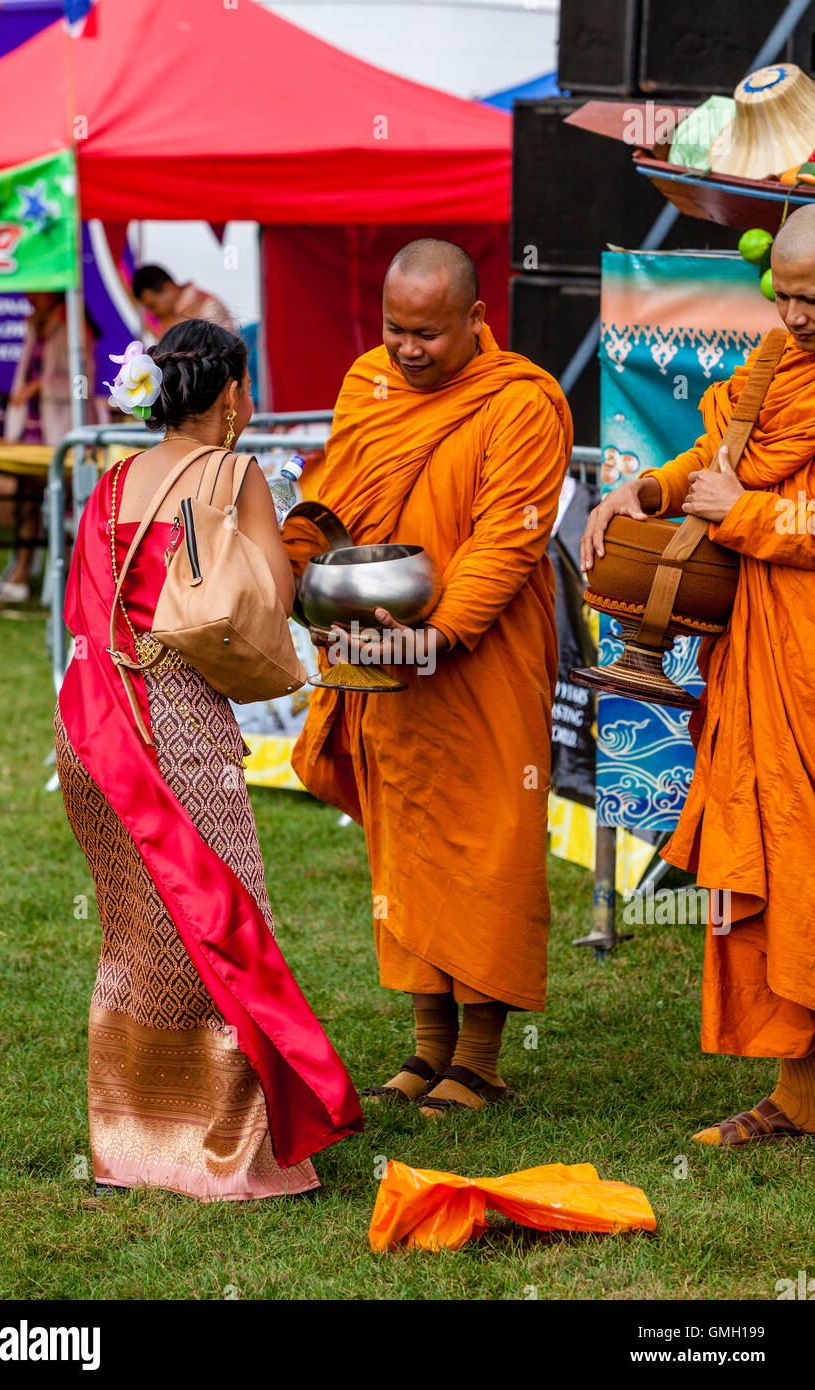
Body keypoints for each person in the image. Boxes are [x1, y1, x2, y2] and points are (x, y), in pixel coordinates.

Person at [55, 318, 362, 1200]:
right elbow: (267, 600)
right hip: (181, 726)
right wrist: (304, 540)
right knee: (224, 925)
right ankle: (225, 1155)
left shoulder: (110, 483)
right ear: (231, 397)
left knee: (137, 934)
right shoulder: (235, 473)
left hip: (97, 726)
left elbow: (95, 614)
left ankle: (127, 1145)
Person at [284, 239, 572, 1117]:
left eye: (429, 335)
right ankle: (426, 1046)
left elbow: (507, 540)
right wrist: (298, 567)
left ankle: (479, 1059)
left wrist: (438, 635)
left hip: (479, 653)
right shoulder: (367, 382)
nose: (408, 349)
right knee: (407, 839)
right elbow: (334, 496)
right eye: (395, 329)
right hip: (381, 655)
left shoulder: (524, 401)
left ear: (478, 321)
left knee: (484, 837)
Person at [580, 203, 815, 1148]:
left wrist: (746, 517)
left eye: (814, 300)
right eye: (786, 296)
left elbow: (755, 500)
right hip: (761, 650)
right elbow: (717, 460)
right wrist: (650, 489)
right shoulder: (774, 369)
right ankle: (797, 1095)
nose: (796, 317)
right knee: (780, 861)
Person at [0, 293, 99, 606]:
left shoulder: (75, 325)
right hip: (31, 428)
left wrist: (40, 385)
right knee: (25, 495)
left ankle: (75, 581)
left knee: (67, 499)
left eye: (37, 290)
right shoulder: (34, 324)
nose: (30, 296)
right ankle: (19, 574)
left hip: (62, 430)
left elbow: (83, 382)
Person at [133, 264, 235, 338]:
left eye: (153, 305)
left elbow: (223, 358)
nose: (153, 312)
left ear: (168, 287)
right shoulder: (166, 317)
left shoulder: (208, 306)